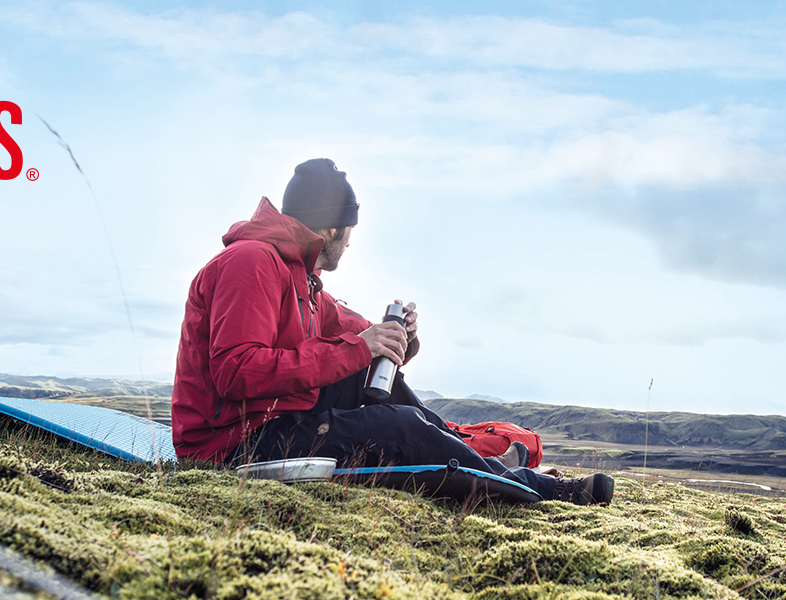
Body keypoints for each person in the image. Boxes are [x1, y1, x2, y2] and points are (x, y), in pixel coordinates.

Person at [171, 158, 613, 505]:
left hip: (276, 419)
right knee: (398, 426)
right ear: (331, 227)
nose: (349, 243)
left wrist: (400, 338)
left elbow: (361, 335)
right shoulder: (251, 263)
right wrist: (360, 348)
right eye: (349, 231)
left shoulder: (301, 282)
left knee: (383, 387)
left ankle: (485, 462)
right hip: (234, 445)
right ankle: (544, 492)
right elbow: (236, 372)